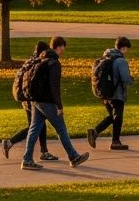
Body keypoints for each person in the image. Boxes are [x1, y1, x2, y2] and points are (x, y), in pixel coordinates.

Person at [20, 36, 90, 170]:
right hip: (47, 101)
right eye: (63, 47)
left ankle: (27, 159)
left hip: (36, 100)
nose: (63, 50)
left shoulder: (41, 59)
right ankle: (74, 157)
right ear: (58, 47)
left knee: (34, 129)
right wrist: (59, 105)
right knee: (61, 129)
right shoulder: (54, 63)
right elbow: (54, 86)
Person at [1, 41, 59, 162]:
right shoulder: (38, 62)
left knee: (38, 125)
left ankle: (44, 151)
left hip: (25, 97)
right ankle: (11, 143)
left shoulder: (29, 61)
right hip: (32, 99)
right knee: (35, 127)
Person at [87, 36, 134, 151]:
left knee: (113, 117)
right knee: (118, 117)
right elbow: (126, 79)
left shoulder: (105, 57)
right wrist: (132, 79)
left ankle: (96, 132)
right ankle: (115, 141)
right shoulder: (120, 61)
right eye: (126, 48)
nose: (126, 51)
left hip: (105, 93)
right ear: (123, 48)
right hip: (116, 94)